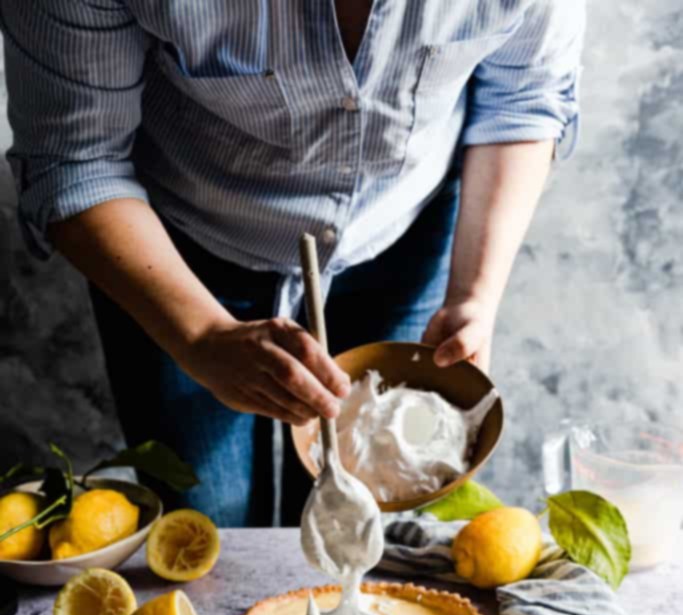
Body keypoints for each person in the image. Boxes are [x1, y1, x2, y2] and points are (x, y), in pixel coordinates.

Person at [0, 1, 585, 526]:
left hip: (405, 235)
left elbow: (525, 96)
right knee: (211, 525)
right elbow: (75, 161)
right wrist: (201, 336)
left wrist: (475, 293)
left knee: (374, 518)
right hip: (178, 250)